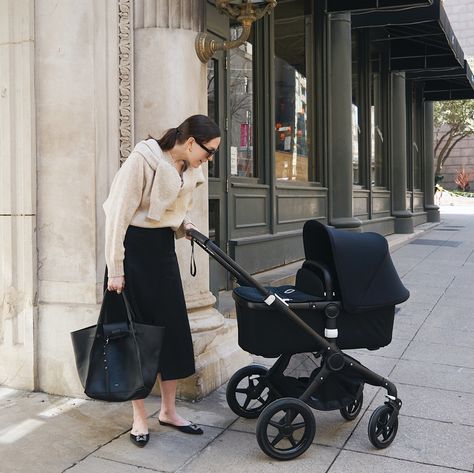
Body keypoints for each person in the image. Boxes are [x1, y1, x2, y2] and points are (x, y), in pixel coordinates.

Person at [103, 114, 221, 447]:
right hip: (132, 252)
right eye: (208, 151)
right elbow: (118, 214)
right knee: (135, 334)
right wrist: (116, 268)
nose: (209, 159)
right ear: (190, 142)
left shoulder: (190, 168)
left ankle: (168, 411)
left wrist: (188, 227)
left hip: (161, 251)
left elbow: (171, 212)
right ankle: (139, 416)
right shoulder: (145, 159)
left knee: (171, 331)